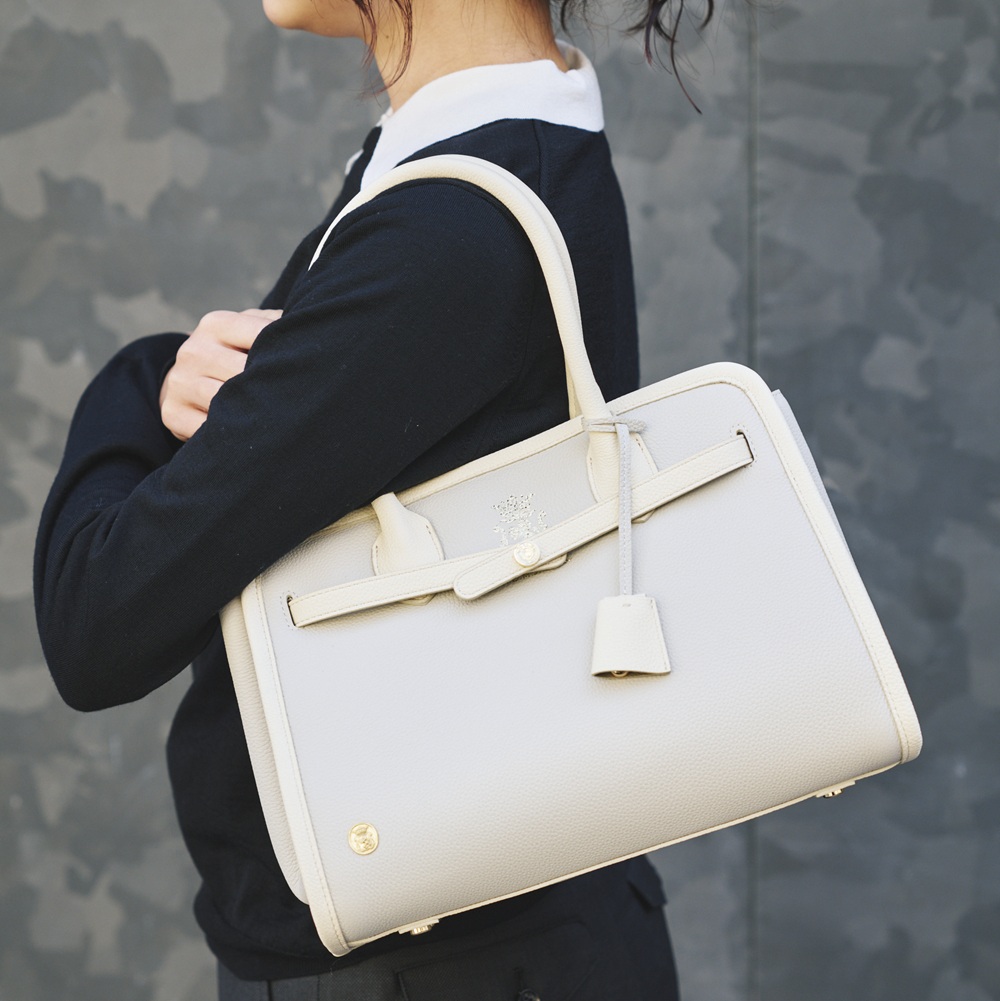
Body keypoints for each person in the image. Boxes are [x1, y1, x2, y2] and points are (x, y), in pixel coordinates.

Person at [34, 0, 720, 996]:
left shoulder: (452, 228)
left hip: (432, 960)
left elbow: (97, 618)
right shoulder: (490, 151)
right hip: (485, 934)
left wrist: (139, 383)